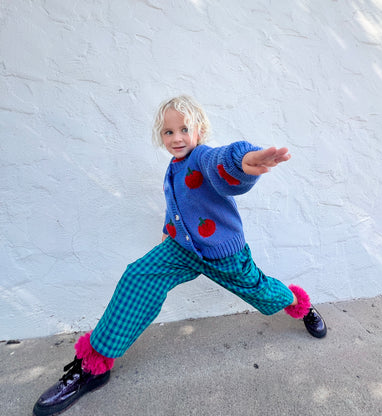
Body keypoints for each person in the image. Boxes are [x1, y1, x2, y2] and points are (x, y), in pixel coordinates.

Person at [33, 95, 327, 416]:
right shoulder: (173, 167)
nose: (176, 138)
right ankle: (94, 365)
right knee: (138, 277)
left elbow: (222, 163)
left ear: (199, 130)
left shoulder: (201, 156)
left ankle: (301, 305)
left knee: (262, 291)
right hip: (180, 249)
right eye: (168, 132)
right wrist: (166, 229)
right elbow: (178, 204)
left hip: (222, 254)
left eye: (184, 129)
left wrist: (243, 164)